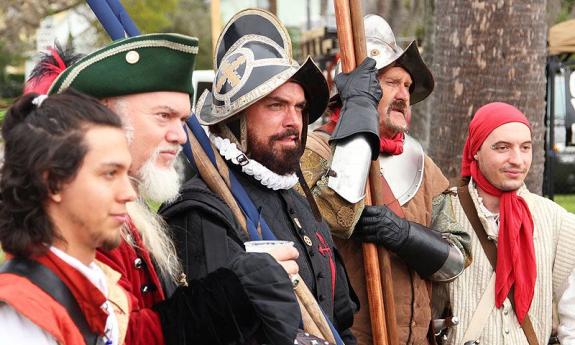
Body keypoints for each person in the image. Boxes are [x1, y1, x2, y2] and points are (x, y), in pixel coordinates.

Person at [38, 34, 300, 344]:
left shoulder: (127, 213)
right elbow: (119, 336)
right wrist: (229, 293)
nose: (180, 136)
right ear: (106, 116)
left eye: (183, 120)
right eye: (164, 116)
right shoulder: (76, 219)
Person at [160, 8, 358, 344]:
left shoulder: (299, 204)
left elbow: (341, 320)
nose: (293, 120)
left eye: (299, 108)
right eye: (275, 105)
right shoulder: (203, 210)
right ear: (236, 118)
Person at [300, 14, 471, 345]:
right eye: (391, 83)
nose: (404, 95)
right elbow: (325, 220)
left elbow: (457, 257)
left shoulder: (423, 165)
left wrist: (404, 235)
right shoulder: (315, 149)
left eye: (407, 86)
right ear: (360, 89)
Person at [0, 89, 137, 344]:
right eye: (110, 174)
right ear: (53, 183)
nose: (129, 194)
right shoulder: (20, 319)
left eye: (126, 173)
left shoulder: (99, 284)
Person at [443, 102, 575, 344]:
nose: (517, 159)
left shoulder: (556, 221)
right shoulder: (443, 211)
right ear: (476, 150)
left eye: (525, 148)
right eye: (502, 147)